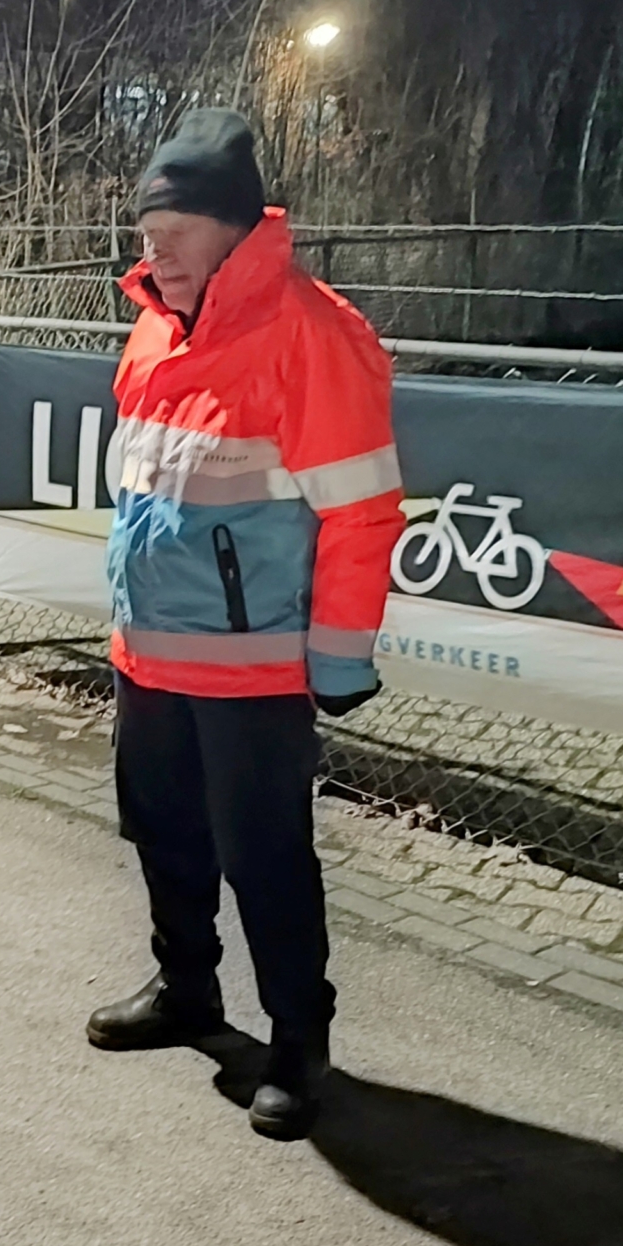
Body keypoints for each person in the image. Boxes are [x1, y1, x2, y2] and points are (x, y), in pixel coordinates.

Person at [85, 108, 403, 1142]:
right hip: (150, 652)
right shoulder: (152, 325)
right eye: (145, 231)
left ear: (232, 229)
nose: (153, 249)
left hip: (254, 667)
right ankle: (187, 990)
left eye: (172, 229)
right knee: (162, 832)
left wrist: (339, 658)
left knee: (265, 857)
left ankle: (296, 1043)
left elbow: (359, 513)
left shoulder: (314, 336)